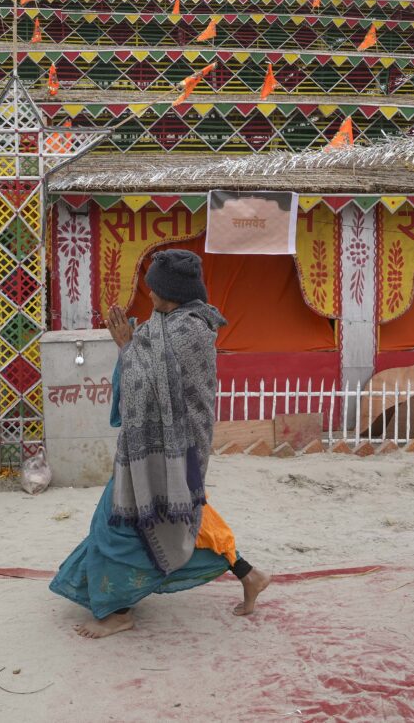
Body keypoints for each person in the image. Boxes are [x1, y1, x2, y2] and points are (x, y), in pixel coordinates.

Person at [49, 249, 271, 638]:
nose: (147, 296)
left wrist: (126, 347)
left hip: (171, 450)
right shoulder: (166, 323)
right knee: (172, 523)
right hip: (152, 448)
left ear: (166, 293)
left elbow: (153, 384)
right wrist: (133, 346)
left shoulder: (190, 331)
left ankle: (118, 611)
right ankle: (247, 573)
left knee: (123, 527)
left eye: (152, 289)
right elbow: (149, 375)